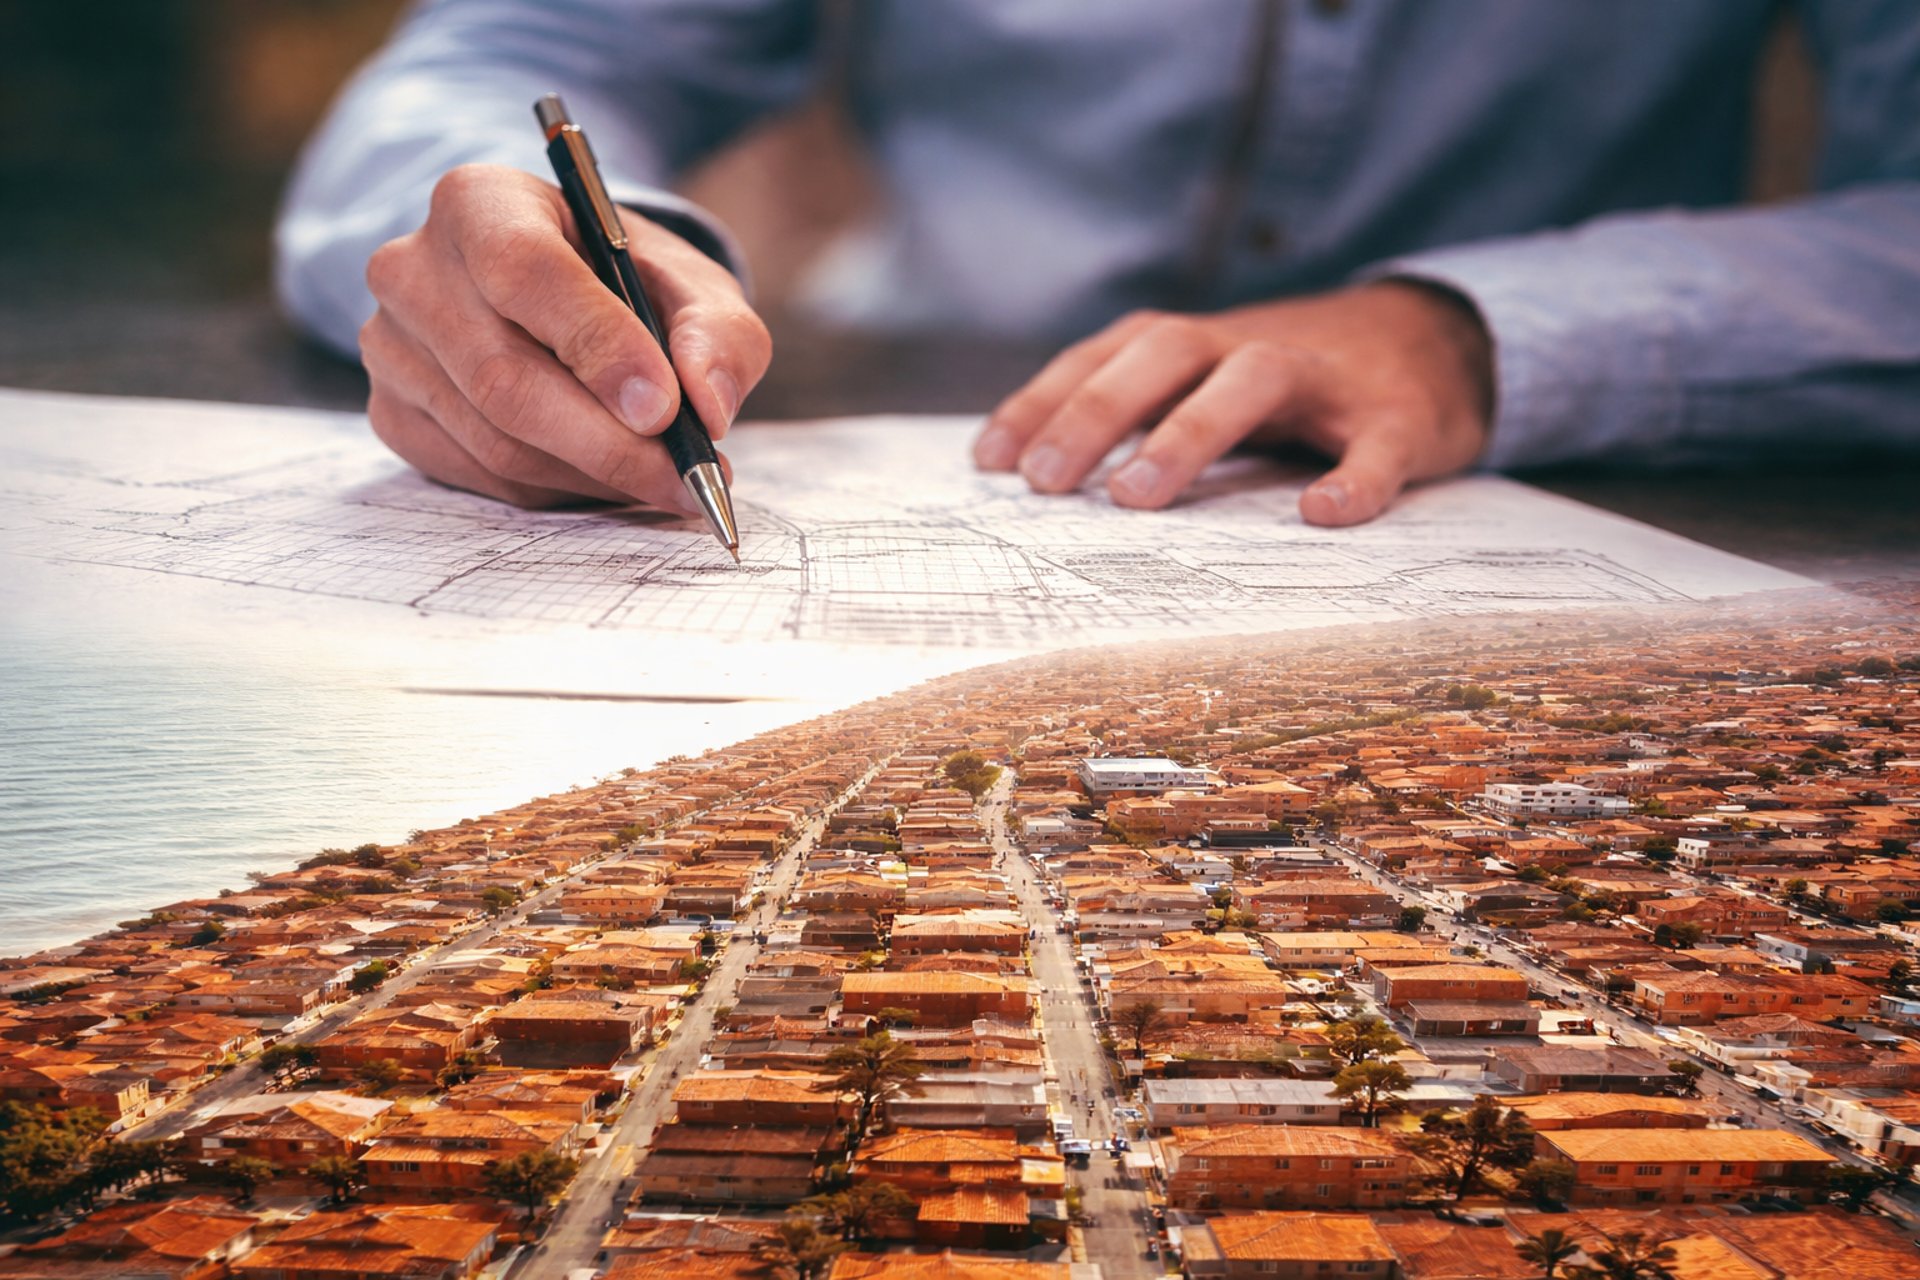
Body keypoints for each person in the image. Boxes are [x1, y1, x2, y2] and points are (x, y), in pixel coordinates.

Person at [278, 2, 1920, 526]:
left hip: (1592, 461)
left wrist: (1483, 335)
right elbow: (523, 46)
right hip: (929, 421)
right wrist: (556, 245)